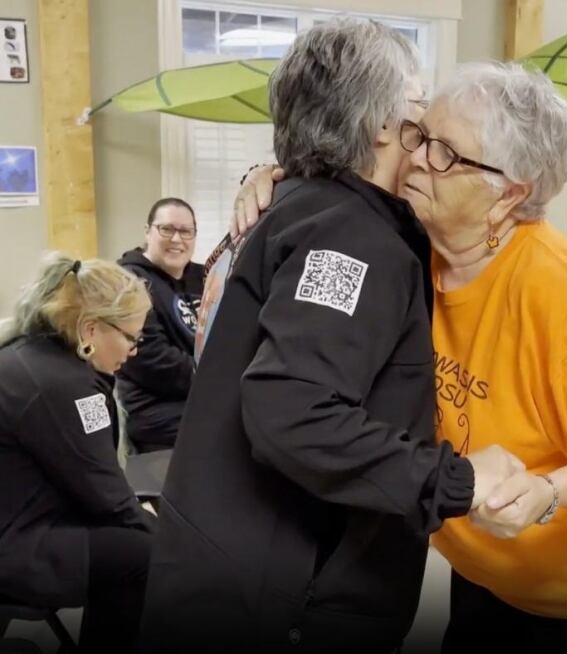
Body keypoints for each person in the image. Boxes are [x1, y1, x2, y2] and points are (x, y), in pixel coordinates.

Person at [234, 62, 567, 653]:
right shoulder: (417, 244)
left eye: (446, 155)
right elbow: (336, 194)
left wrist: (550, 492)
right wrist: (271, 178)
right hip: (489, 573)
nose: (415, 158)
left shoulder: (564, 291)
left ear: (509, 193)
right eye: (420, 134)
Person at [138, 20, 519, 654]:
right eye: (418, 111)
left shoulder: (298, 207)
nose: (426, 138)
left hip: (225, 561)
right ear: (378, 125)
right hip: (280, 595)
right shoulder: (351, 239)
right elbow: (293, 410)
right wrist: (456, 482)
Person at [0, 253, 155, 653]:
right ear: (89, 328)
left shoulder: (32, 356)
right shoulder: (66, 387)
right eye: (131, 338)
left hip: (16, 519)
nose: (134, 351)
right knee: (142, 553)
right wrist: (174, 538)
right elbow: (108, 498)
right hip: (14, 542)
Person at [116, 198, 204, 452]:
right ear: (147, 231)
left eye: (186, 231)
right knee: (234, 424)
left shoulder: (207, 277)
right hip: (154, 408)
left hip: (198, 394)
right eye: (166, 229)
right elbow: (154, 360)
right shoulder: (128, 281)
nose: (177, 239)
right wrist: (219, 380)